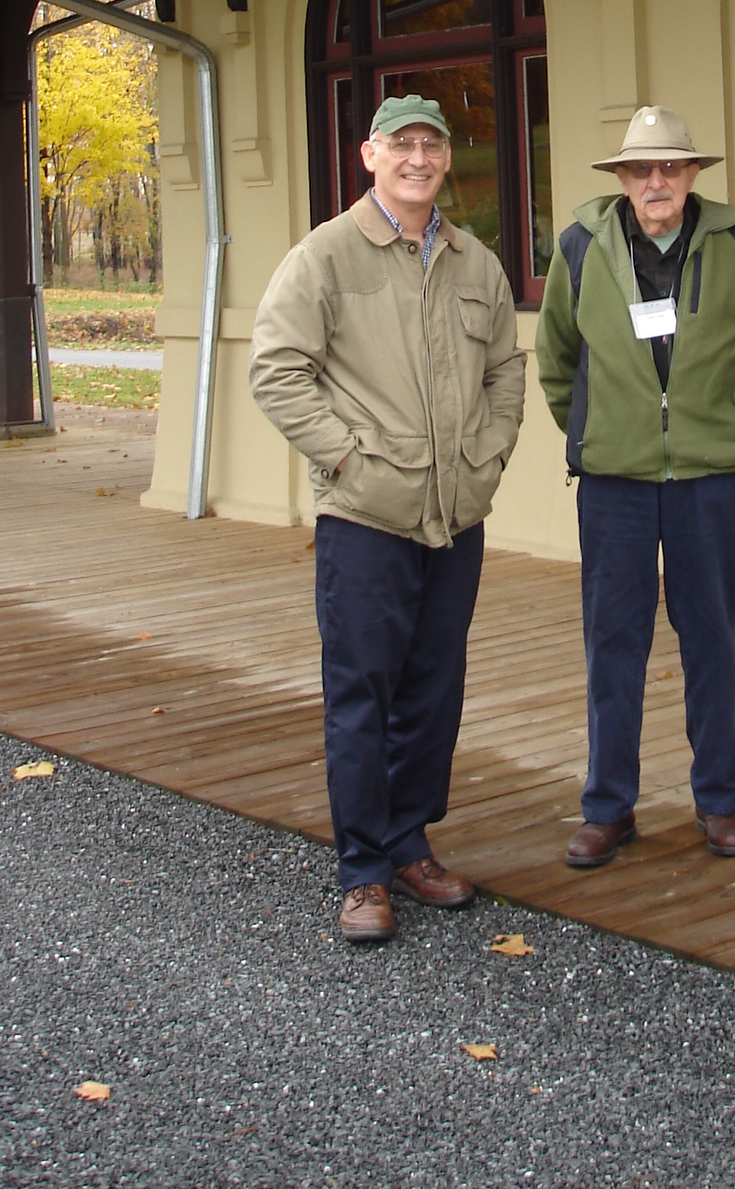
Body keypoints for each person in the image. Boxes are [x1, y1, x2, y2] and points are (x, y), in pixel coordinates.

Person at [249, 94, 525, 944]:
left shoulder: (476, 264)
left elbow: (505, 375)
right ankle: (363, 871)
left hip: (454, 516)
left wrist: (487, 457)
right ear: (369, 155)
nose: (417, 158)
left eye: (431, 146)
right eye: (400, 145)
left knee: (433, 691)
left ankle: (411, 841)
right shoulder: (325, 257)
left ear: (446, 160)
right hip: (367, 518)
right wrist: (347, 461)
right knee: (362, 692)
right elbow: (278, 371)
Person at [536, 105, 735, 870]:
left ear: (694, 173)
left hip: (705, 480)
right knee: (613, 645)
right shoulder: (579, 246)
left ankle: (720, 800)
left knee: (711, 643)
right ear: (622, 180)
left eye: (670, 166)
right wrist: (600, 433)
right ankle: (608, 807)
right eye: (641, 169)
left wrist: (730, 441)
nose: (656, 181)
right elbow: (558, 360)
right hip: (614, 483)